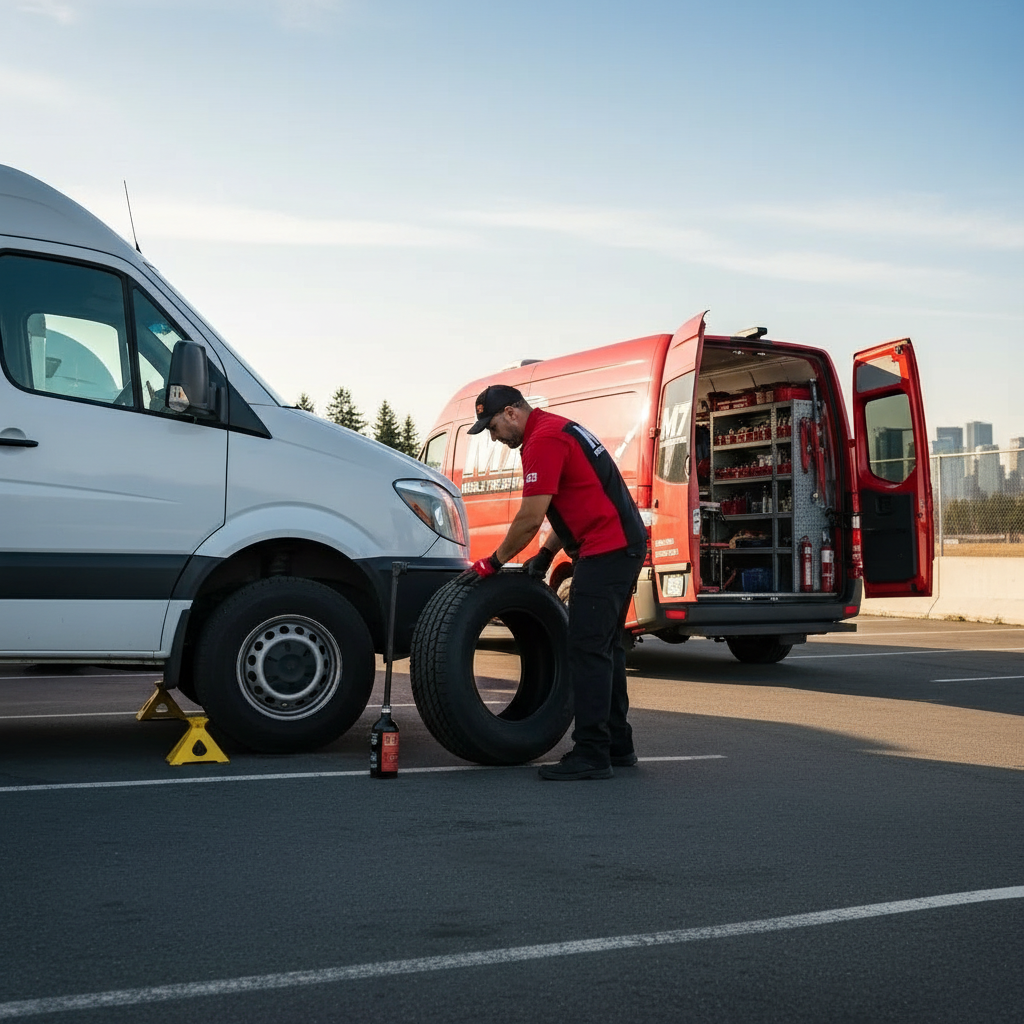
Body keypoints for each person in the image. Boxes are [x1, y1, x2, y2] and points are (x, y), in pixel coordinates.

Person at [468, 384, 646, 781]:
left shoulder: (542, 441)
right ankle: (618, 744)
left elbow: (530, 517)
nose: (495, 438)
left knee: (586, 651)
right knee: (606, 650)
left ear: (512, 413)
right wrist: (547, 554)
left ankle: (592, 754)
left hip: (607, 550)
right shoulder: (557, 428)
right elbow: (570, 500)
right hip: (620, 546)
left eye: (494, 427)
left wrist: (493, 562)